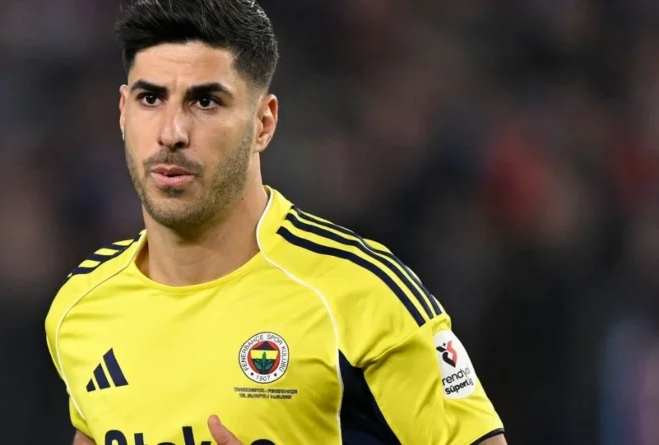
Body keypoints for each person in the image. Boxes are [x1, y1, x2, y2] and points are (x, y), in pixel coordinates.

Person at [44, 1, 507, 444]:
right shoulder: (81, 305)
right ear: (123, 112)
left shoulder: (359, 293)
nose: (172, 133)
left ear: (263, 123)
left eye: (205, 102)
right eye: (151, 98)